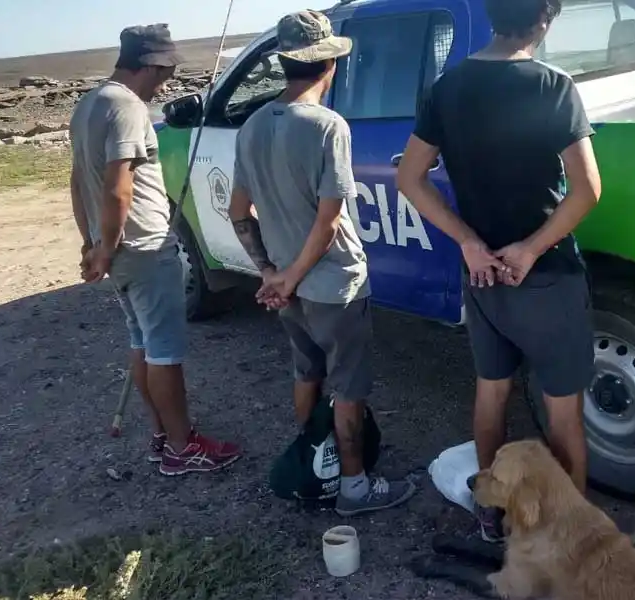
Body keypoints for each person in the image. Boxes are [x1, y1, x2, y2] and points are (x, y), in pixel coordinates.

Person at [396, 0, 602, 541]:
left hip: (483, 274)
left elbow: (410, 178)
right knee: (563, 414)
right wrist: (530, 249)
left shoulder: (447, 88)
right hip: (546, 276)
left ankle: (492, 515)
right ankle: (566, 536)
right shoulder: (553, 86)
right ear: (544, 21)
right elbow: (587, 190)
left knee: (491, 392)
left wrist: (468, 242)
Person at [228, 10, 416, 517]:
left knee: (306, 371)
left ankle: (318, 461)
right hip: (333, 284)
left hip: (287, 287)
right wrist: (290, 276)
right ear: (329, 64)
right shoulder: (328, 126)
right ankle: (353, 486)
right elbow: (329, 222)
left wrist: (272, 274)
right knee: (349, 387)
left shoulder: (251, 126)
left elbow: (238, 212)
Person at [69, 24, 242, 476]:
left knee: (142, 342)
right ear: (149, 64)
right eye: (165, 73)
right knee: (164, 351)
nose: (165, 84)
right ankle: (183, 448)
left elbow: (77, 181)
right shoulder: (127, 107)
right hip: (143, 249)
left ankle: (163, 434)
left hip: (119, 251)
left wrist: (91, 243)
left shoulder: (89, 103)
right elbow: (117, 187)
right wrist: (106, 247)